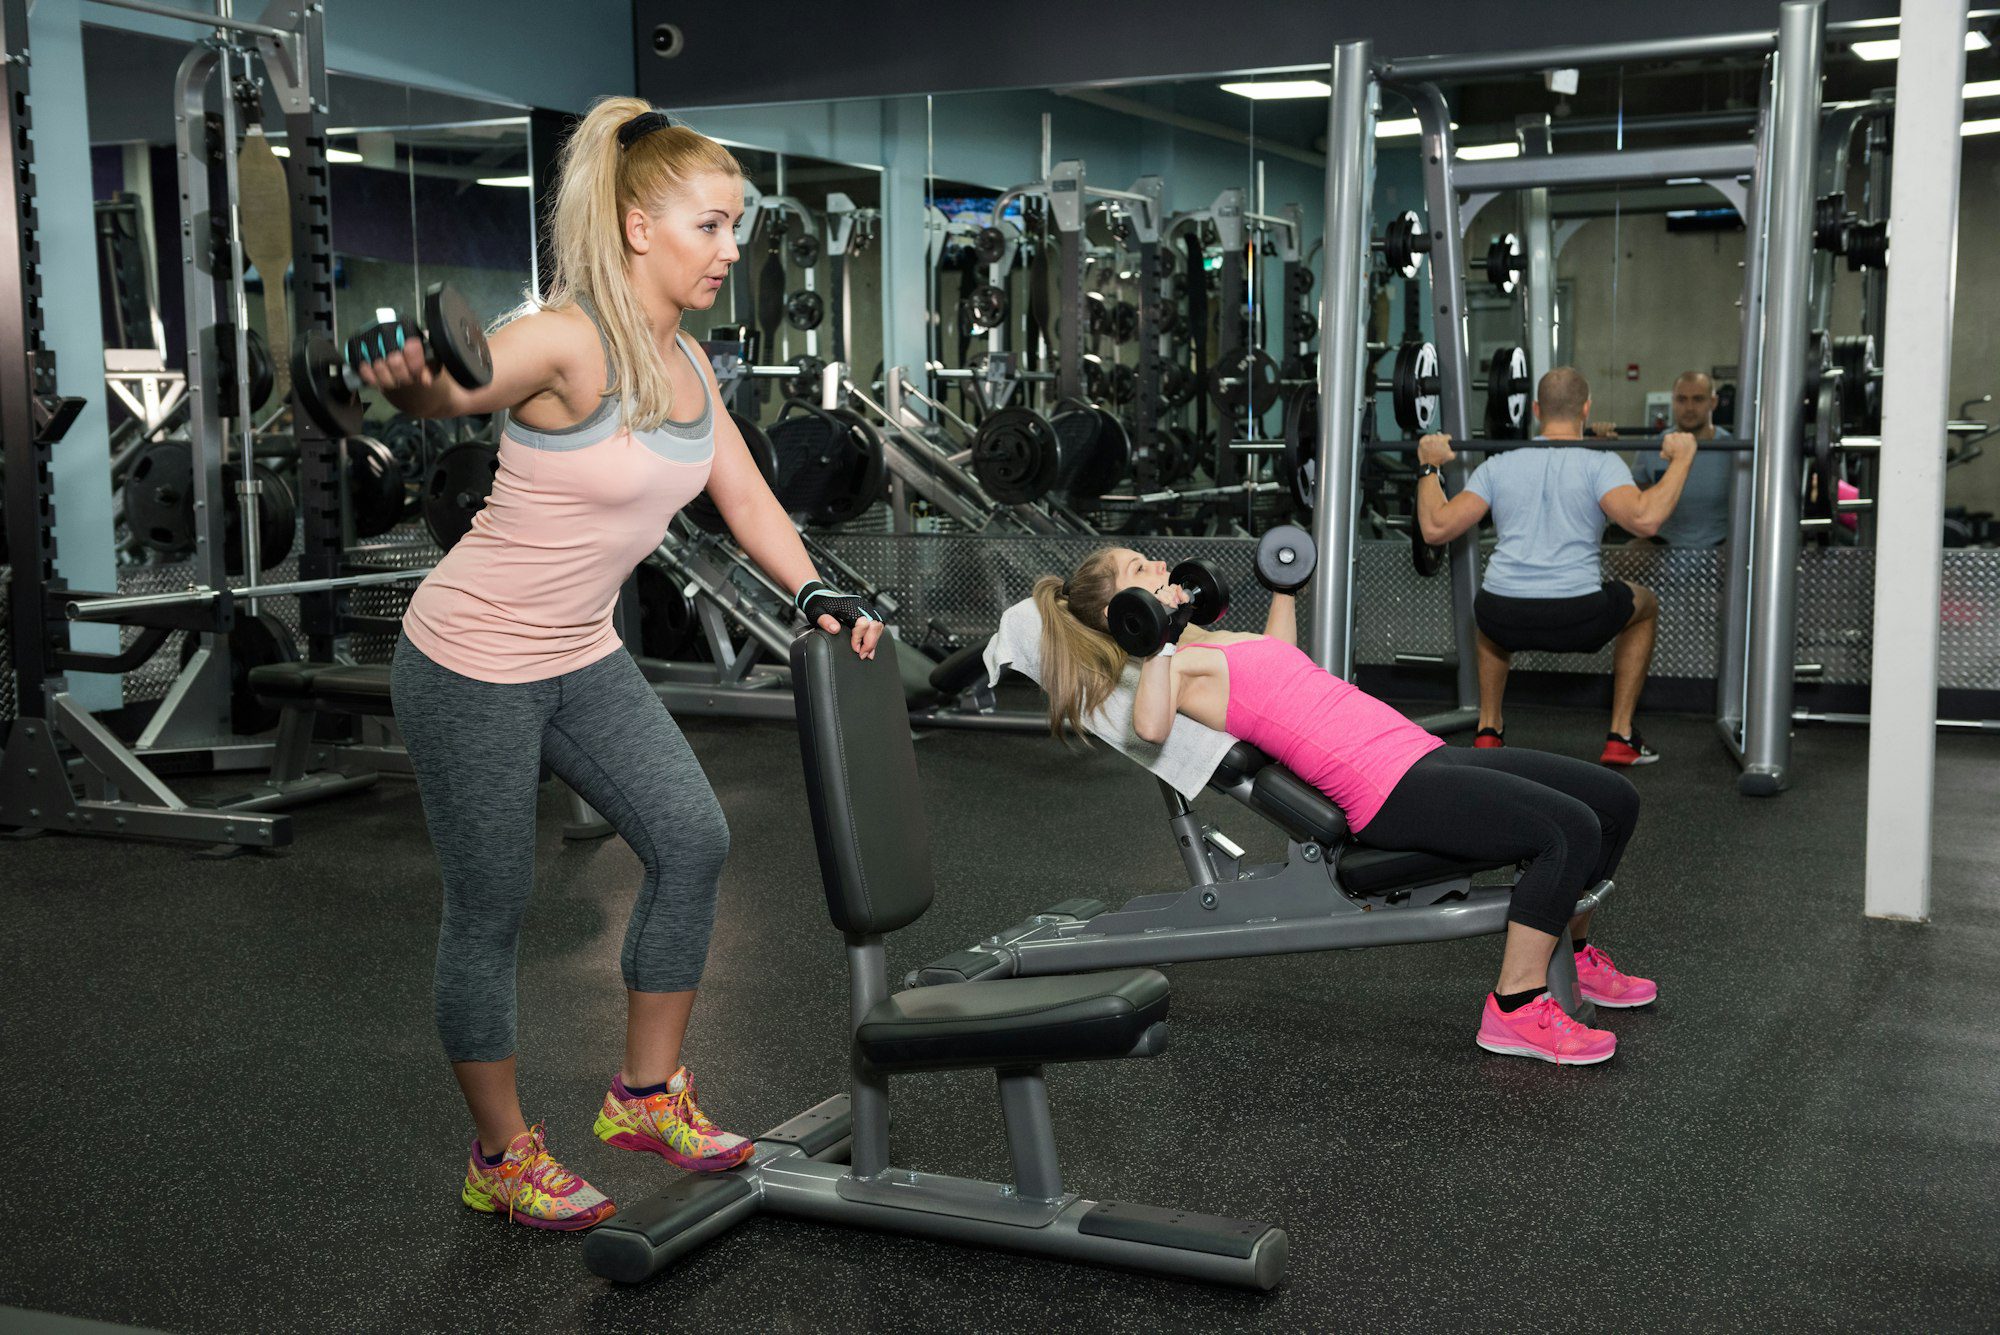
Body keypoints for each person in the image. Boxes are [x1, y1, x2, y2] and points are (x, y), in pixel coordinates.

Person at [365, 98, 884, 1231]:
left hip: (581, 653)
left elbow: (743, 494)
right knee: (493, 905)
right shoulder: (564, 337)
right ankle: (500, 1156)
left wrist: (817, 589)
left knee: (692, 840)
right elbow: (459, 387)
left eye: (735, 225)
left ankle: (644, 1096)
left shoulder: (687, 363)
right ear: (640, 226)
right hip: (469, 660)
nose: (729, 246)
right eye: (710, 225)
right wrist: (417, 389)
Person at [1030, 550, 1657, 1067]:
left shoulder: (1210, 641)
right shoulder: (1178, 663)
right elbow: (1151, 725)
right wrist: (1154, 646)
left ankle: (1573, 956)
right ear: (1128, 613)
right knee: (1565, 829)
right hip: (1386, 789)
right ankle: (1515, 1008)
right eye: (1141, 568)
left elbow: (1280, 662)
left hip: (1418, 753)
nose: (1161, 560)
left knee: (1612, 800)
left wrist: (1284, 589)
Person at [1414, 367, 1696, 766]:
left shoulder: (1499, 464)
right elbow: (1645, 520)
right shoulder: (1601, 465)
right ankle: (1621, 736)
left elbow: (1436, 528)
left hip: (1503, 615)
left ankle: (1489, 731)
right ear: (1586, 407)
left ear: (1533, 410)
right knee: (1644, 605)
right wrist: (1682, 460)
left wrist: (1429, 466)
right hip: (1577, 616)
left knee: (1491, 609)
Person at [1630, 371, 1736, 547]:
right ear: (1673, 401)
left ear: (1713, 402)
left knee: (1739, 552)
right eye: (1682, 399)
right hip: (1663, 543)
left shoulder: (1733, 449)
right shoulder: (1652, 447)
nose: (1689, 408)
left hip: (1719, 545)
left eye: (1698, 399)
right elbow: (1633, 501)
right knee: (1630, 556)